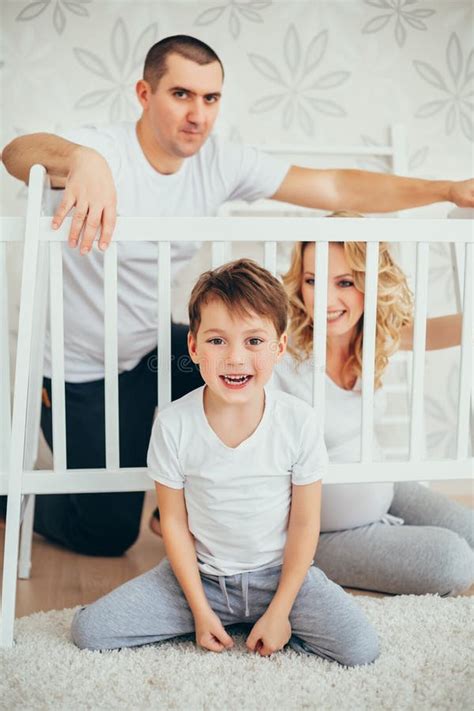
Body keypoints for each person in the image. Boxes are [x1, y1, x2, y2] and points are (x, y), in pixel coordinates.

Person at [2, 34, 474, 557]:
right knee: (108, 531)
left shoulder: (219, 162)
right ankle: (8, 498)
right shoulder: (107, 151)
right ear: (144, 92)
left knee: (239, 362)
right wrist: (83, 160)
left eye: (211, 99)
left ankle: (204, 506)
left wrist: (445, 190)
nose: (197, 115)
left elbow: (336, 187)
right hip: (79, 369)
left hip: (156, 351)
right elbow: (16, 152)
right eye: (181, 94)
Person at [70, 258, 380, 667]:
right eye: (218, 341)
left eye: (254, 341)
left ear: (280, 347)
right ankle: (217, 616)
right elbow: (175, 523)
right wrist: (199, 610)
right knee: (89, 631)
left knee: (361, 648)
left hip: (280, 577)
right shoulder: (173, 424)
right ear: (194, 347)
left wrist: (281, 610)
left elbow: (305, 524)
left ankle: (267, 619)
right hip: (201, 579)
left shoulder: (299, 422)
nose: (235, 358)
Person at [268, 212, 473, 596]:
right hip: (321, 530)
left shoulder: (373, 338)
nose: (326, 299)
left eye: (344, 282)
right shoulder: (281, 350)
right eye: (313, 281)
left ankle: (387, 529)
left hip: (383, 490)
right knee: (453, 562)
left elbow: (440, 330)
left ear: (370, 283)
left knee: (472, 534)